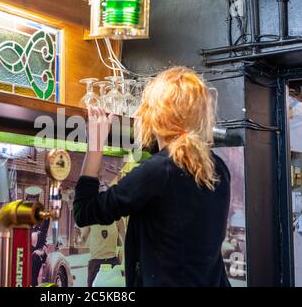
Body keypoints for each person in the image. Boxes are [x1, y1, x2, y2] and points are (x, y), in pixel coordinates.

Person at [73, 67, 231, 287]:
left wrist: (95, 145)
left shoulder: (159, 171)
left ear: (153, 115)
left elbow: (84, 211)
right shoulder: (219, 168)